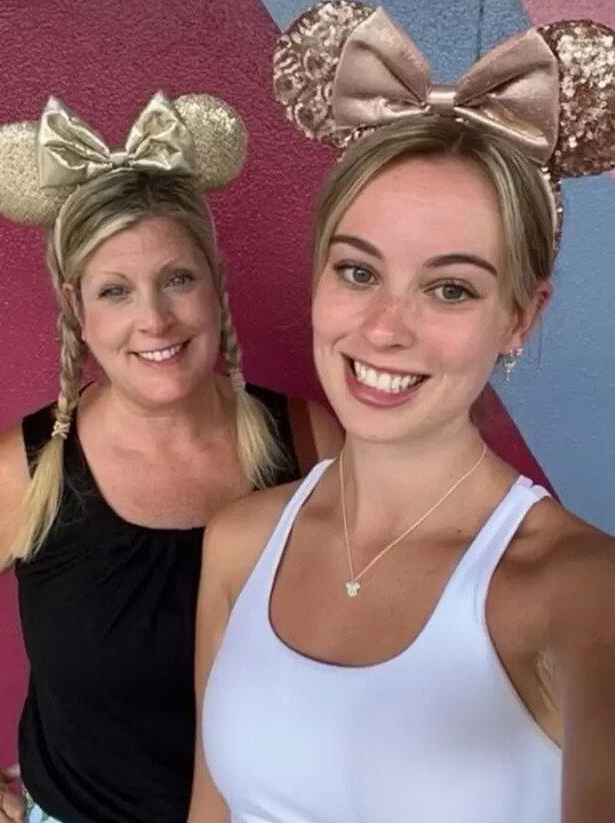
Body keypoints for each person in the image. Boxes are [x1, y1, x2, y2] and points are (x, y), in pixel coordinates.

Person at [189, 6, 615, 822]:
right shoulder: (238, 542)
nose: (385, 327)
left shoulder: (582, 594)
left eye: (450, 287)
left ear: (521, 316)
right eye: (357, 272)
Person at [0, 91, 341, 823]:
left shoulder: (310, 440)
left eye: (178, 278)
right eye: (115, 290)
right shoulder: (28, 471)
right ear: (78, 308)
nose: (155, 319)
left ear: (215, 283)